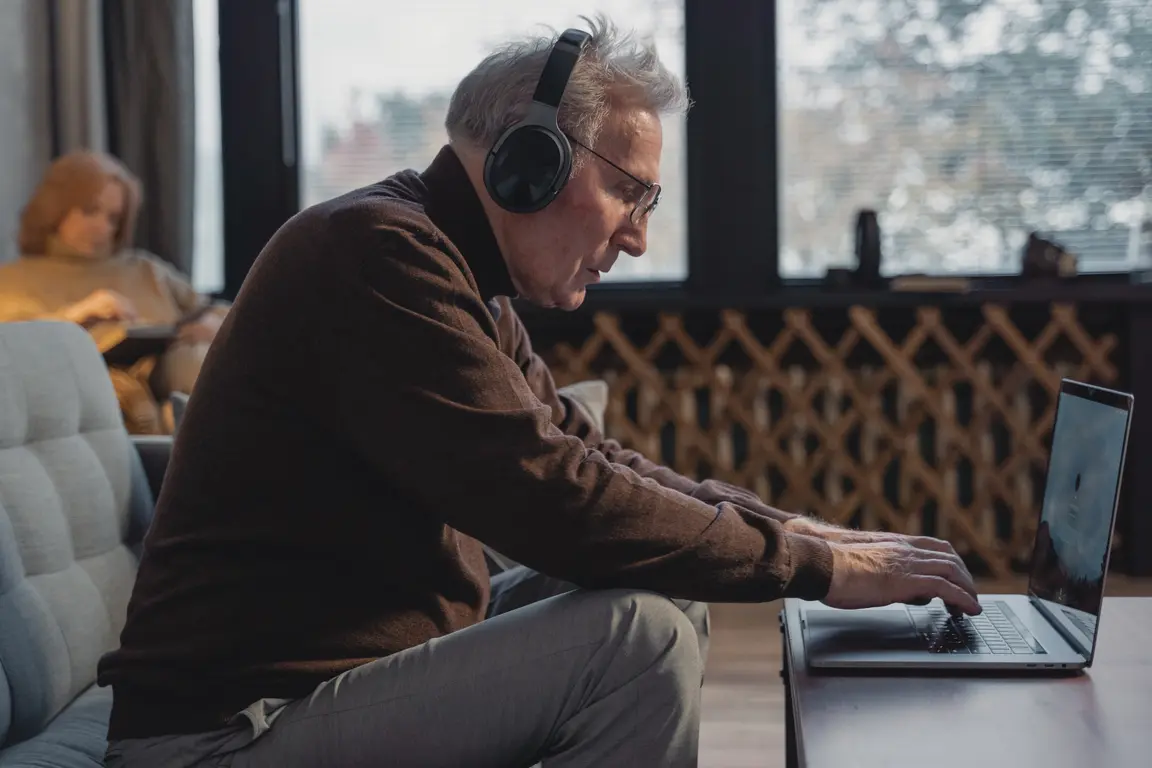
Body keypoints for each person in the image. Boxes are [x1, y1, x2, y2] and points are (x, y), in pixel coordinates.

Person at [97, 17, 980, 768]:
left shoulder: (455, 271)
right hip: (222, 735)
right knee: (638, 639)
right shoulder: (374, 254)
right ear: (532, 160)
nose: (637, 238)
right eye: (629, 194)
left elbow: (588, 458)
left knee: (661, 586)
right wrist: (818, 571)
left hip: (330, 681)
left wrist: (798, 533)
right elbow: (555, 498)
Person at [0, 150, 227, 433]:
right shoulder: (12, 281)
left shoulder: (145, 269)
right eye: (89, 211)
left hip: (174, 380)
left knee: (201, 361)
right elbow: (12, 345)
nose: (102, 228)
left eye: (113, 218)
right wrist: (77, 315)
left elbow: (215, 309)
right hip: (99, 394)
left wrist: (213, 325)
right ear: (55, 208)